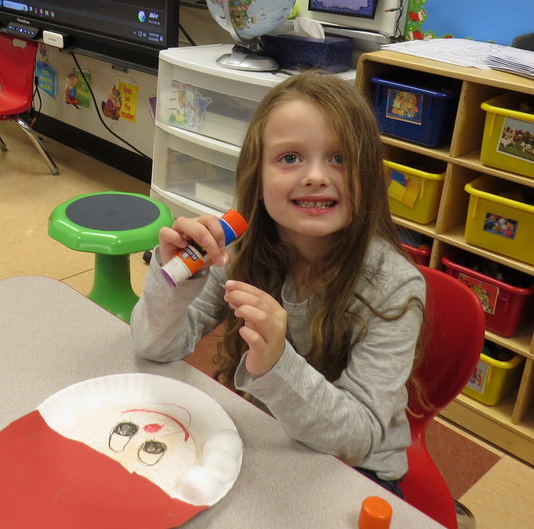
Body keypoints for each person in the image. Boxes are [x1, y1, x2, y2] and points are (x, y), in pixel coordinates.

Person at [131, 70, 424, 496]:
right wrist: (172, 281)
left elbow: (359, 438)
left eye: (340, 158)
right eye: (290, 158)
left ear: (368, 175)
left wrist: (275, 364)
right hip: (269, 434)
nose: (316, 176)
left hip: (360, 472)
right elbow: (152, 348)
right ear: (258, 174)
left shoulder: (394, 286)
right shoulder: (240, 248)